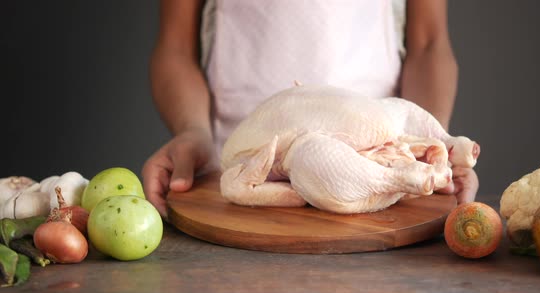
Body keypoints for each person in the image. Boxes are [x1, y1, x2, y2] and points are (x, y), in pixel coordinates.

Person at [142, 0, 479, 218]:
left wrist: (435, 144)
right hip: (242, 166)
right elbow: (176, 48)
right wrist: (192, 130)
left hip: (383, 154)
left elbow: (429, 44)